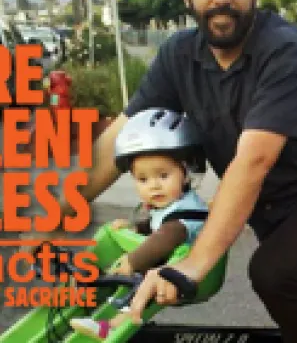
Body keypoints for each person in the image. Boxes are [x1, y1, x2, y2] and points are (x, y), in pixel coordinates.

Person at [42, 0, 297, 342]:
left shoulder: (283, 50)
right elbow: (115, 145)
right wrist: (51, 216)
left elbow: (253, 162)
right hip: (279, 208)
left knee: (275, 273)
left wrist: (192, 265)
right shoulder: (179, 56)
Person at [69, 108, 210, 340]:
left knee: (140, 284)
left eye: (163, 176)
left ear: (185, 173)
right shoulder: (169, 205)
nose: (154, 186)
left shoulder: (186, 211)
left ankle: (110, 326)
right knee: (116, 248)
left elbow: (170, 233)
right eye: (143, 179)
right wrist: (135, 229)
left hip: (193, 273)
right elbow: (157, 224)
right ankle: (88, 289)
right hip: (167, 265)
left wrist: (132, 262)